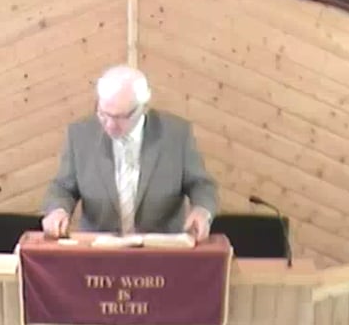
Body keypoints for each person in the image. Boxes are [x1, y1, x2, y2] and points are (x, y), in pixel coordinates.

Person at [40, 65, 218, 241]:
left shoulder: (176, 135)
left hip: (160, 247)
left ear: (144, 108)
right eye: (103, 114)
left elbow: (201, 184)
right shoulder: (80, 135)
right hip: (99, 247)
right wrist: (58, 210)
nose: (110, 125)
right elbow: (63, 187)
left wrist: (202, 211)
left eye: (121, 117)